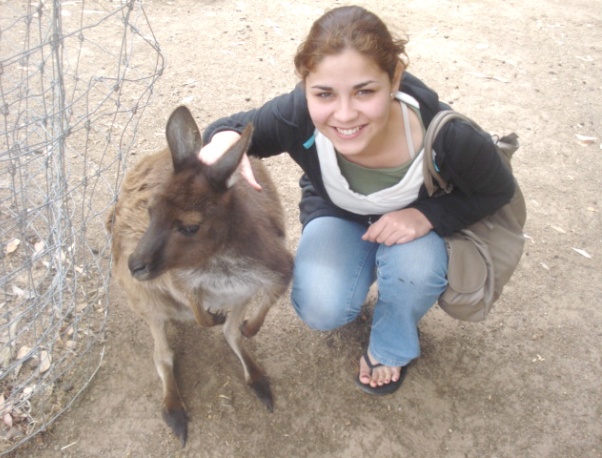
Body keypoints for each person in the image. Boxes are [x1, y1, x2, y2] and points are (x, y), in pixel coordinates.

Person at [199, 5, 515, 395]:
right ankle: (361, 279)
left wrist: (427, 214)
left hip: (415, 227)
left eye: (365, 91)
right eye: (324, 93)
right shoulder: (296, 115)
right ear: (305, 86)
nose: (345, 115)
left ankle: (392, 342)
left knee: (413, 270)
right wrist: (222, 139)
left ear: (394, 78)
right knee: (320, 307)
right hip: (339, 212)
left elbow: (498, 190)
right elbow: (230, 127)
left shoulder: (447, 136)